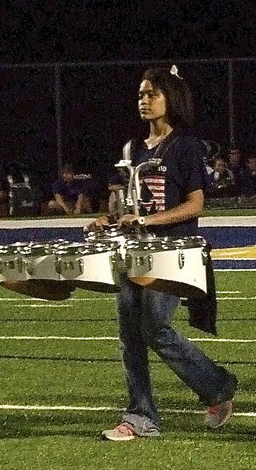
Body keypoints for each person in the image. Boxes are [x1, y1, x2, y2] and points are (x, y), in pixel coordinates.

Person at [90, 65, 237, 441]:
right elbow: (124, 201)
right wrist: (107, 218)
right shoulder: (131, 149)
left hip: (172, 254)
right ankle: (140, 415)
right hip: (132, 252)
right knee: (129, 335)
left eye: (152, 94)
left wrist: (149, 221)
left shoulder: (186, 146)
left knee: (155, 327)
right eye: (141, 94)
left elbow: (195, 205)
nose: (144, 100)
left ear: (171, 99)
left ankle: (216, 385)